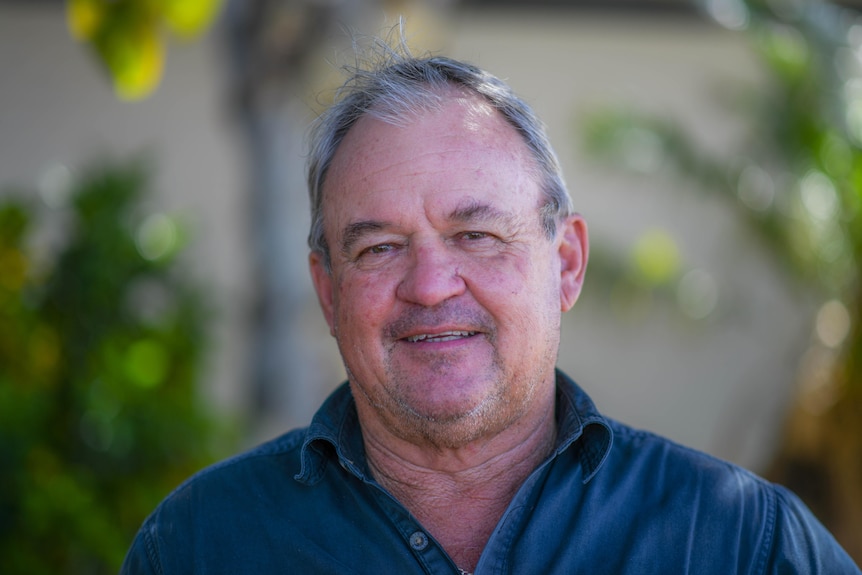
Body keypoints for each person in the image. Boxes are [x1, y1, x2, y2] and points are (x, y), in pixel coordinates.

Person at [120, 40, 861, 574]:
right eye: (377, 248)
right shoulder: (199, 546)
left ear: (565, 264)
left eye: (476, 235)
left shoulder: (739, 544)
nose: (432, 284)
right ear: (326, 288)